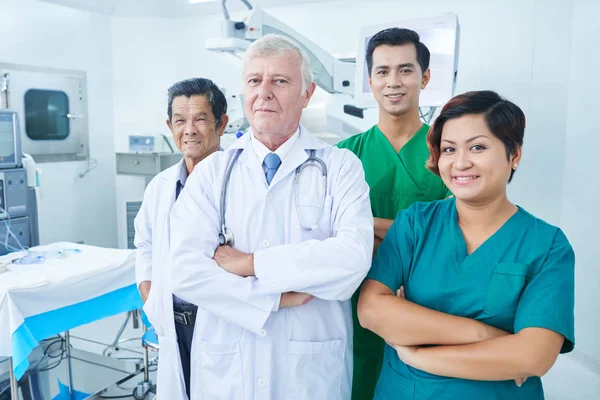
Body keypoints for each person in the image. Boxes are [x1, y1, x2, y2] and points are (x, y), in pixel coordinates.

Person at [170, 34, 373, 400]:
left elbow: (351, 260)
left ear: (307, 93)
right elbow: (184, 271)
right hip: (228, 371)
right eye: (254, 80)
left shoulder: (341, 167)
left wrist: (249, 263)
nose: (263, 91)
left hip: (310, 373)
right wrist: (274, 298)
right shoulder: (213, 173)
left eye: (279, 81)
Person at [358, 90, 575, 399]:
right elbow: (371, 310)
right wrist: (487, 336)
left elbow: (534, 356)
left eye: (477, 147)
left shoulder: (547, 245)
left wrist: (418, 354)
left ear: (514, 155)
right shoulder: (416, 223)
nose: (460, 163)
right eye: (449, 149)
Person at [336, 27, 450, 399]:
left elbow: (454, 234)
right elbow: (330, 235)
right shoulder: (342, 156)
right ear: (370, 80)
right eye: (382, 71)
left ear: (425, 77)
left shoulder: (449, 153)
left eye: (405, 70)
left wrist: (362, 225)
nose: (393, 82)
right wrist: (414, 234)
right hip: (353, 310)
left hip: (429, 308)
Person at [134, 77, 229, 400]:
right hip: (172, 321)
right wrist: (150, 297)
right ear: (169, 125)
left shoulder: (240, 183)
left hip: (222, 319)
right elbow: (144, 244)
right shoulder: (160, 186)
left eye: (201, 119)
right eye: (180, 120)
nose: (189, 130)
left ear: (222, 124)